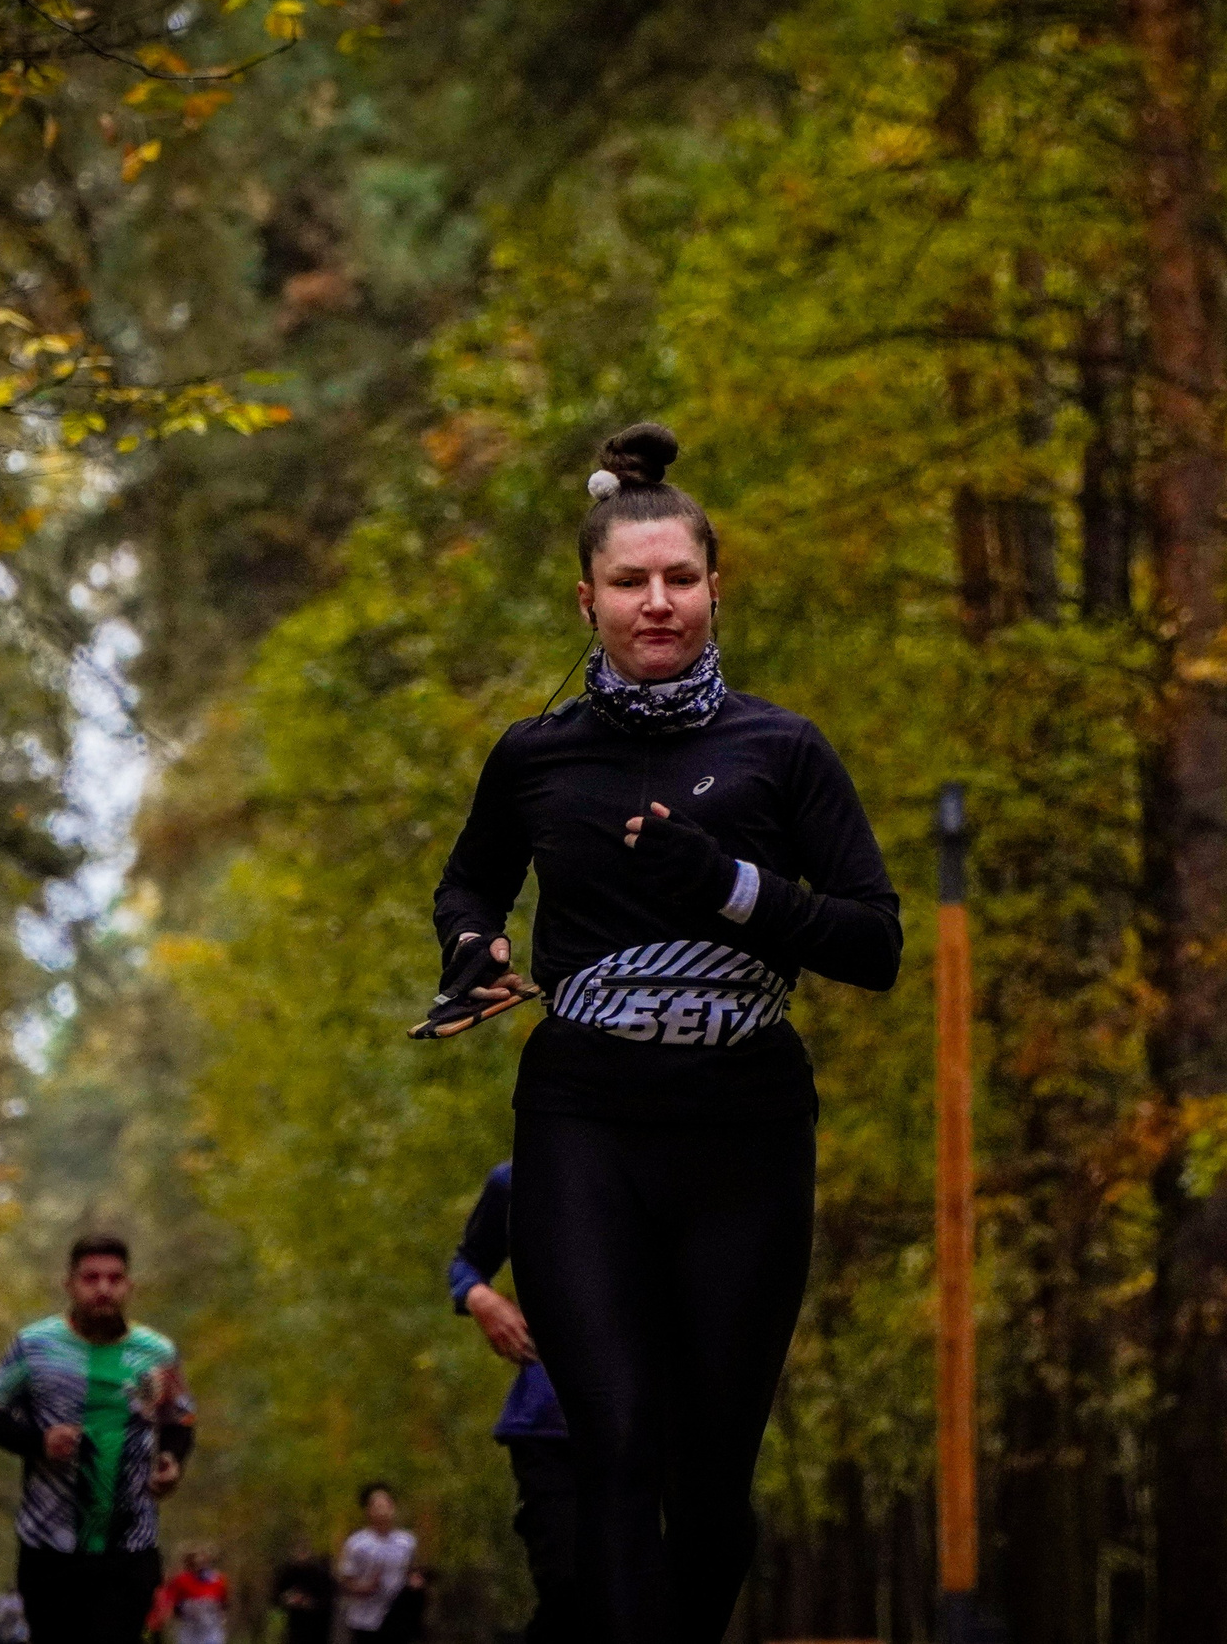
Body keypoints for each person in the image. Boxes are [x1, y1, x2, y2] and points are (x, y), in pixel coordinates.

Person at [414, 423, 902, 1642]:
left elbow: (875, 943)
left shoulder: (781, 750)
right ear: (586, 600)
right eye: (630, 581)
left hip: (745, 1127)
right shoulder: (535, 756)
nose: (658, 602)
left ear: (714, 589)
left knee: (710, 1475)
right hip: (583, 1121)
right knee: (618, 1442)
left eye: (680, 578)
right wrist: (473, 946)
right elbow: (469, 883)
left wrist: (728, 887)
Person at [0, 1235, 196, 1644]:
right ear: (69, 1285)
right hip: (50, 1546)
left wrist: (171, 1460)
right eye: (91, 1278)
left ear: (129, 1286)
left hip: (130, 1546)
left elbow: (181, 1419)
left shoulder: (157, 1353)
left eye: (114, 1278)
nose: (103, 1289)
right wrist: (40, 1442)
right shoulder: (34, 1345)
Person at [449, 1161, 580, 1643]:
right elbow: (467, 1263)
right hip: (549, 1425)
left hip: (649, 1422)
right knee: (568, 1589)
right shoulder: (520, 1178)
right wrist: (480, 1297)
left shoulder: (671, 1165)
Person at [338, 1483, 419, 1641]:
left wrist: (414, 1581)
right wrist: (364, 1588)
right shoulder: (357, 1544)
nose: (383, 1511)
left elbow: (410, 1570)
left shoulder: (406, 1542)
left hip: (398, 1616)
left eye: (387, 1505)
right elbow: (345, 1581)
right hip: (365, 1619)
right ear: (368, 1511)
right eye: (378, 1506)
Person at [273, 1538, 338, 1644]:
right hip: (296, 1625)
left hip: (318, 1626)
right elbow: (277, 1596)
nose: (301, 1555)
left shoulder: (320, 1573)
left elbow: (328, 1598)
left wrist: (310, 1603)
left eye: (304, 1551)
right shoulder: (288, 1572)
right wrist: (288, 1600)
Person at [161, 1548, 230, 1644]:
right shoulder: (181, 1581)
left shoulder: (218, 1580)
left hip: (211, 1629)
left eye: (203, 1562)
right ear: (189, 1564)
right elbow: (174, 1605)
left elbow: (223, 1603)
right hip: (189, 1630)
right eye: (196, 1563)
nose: (200, 1566)